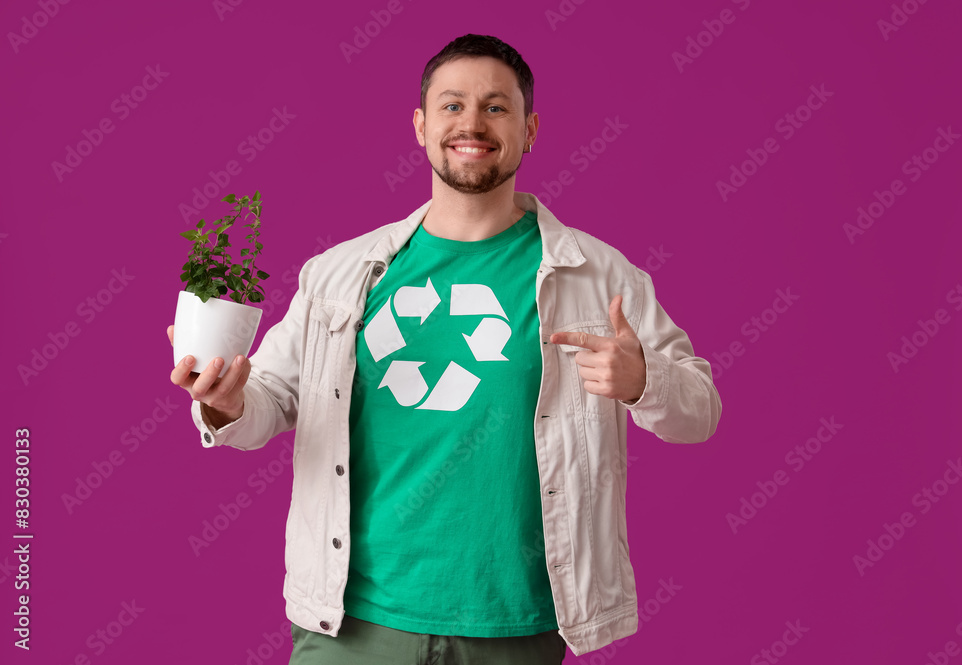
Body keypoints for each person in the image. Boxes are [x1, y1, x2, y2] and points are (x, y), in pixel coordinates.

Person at [167, 33, 722, 665]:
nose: (473, 124)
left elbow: (699, 410)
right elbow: (268, 401)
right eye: (453, 105)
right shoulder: (339, 275)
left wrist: (644, 380)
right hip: (352, 623)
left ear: (530, 127)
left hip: (513, 625)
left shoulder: (600, 277)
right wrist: (226, 404)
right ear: (421, 124)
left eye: (496, 107)